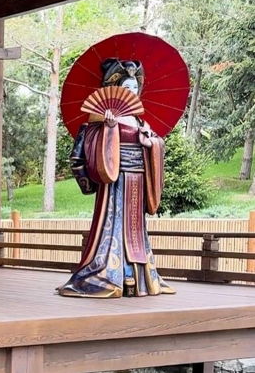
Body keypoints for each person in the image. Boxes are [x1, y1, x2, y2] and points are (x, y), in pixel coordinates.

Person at [57, 58, 175, 298]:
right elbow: (83, 151)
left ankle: (141, 277)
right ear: (114, 89)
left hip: (138, 178)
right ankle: (108, 273)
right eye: (126, 87)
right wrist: (109, 129)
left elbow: (157, 144)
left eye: (135, 88)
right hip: (115, 181)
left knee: (136, 229)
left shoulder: (141, 121)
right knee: (114, 225)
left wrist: (151, 143)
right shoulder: (100, 119)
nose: (131, 92)